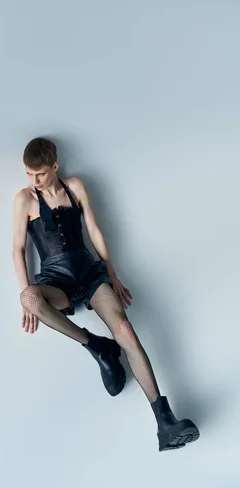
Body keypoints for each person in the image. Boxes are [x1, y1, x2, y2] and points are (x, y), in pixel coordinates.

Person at [12, 137, 200, 452]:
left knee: (126, 329)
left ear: (54, 167)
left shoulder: (75, 186)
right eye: (29, 174)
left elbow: (94, 230)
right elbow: (18, 250)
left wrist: (111, 274)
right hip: (56, 280)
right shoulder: (24, 199)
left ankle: (164, 421)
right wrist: (24, 296)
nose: (34, 181)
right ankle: (96, 345)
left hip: (89, 272)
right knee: (29, 298)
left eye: (40, 174)